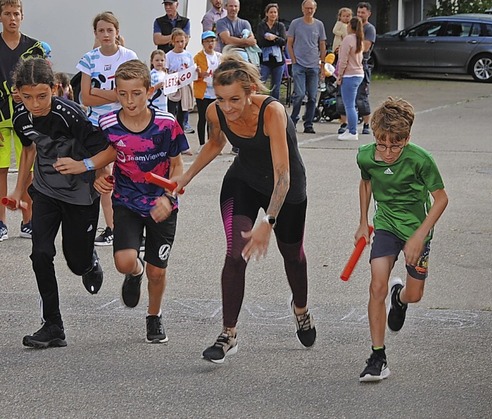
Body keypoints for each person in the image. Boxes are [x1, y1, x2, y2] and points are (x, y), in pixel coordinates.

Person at [172, 54, 316, 363]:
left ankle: (301, 309)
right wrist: (185, 176)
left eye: (234, 99)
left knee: (292, 255)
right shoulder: (215, 111)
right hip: (244, 181)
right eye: (221, 99)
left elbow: (283, 175)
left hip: (286, 188)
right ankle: (228, 334)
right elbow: (214, 144)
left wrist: (269, 220)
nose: (228, 107)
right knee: (235, 254)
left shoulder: (272, 112)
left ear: (251, 90)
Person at [59, 60, 189, 343]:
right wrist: (96, 173)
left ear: (149, 91)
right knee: (124, 261)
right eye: (122, 93)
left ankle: (153, 316)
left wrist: (169, 196)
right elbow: (107, 155)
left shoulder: (166, 124)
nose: (129, 101)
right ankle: (135, 272)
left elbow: (177, 166)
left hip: (161, 206)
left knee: (158, 271)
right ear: (115, 92)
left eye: (136, 94)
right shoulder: (107, 123)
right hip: (126, 201)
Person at [7, 57, 107, 348]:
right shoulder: (21, 118)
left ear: (54, 88)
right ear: (18, 93)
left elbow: (102, 149)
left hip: (80, 195)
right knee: (40, 254)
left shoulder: (71, 114)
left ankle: (88, 262)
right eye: (27, 97)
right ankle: (53, 325)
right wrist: (18, 190)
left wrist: (97, 173)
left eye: (42, 96)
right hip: (46, 192)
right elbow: (28, 150)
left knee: (76, 262)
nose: (35, 104)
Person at [353, 97, 448, 382]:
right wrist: (362, 222)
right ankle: (377, 355)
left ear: (407, 137)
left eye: (396, 144)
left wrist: (420, 235)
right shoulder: (366, 156)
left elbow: (441, 199)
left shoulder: (421, 159)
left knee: (415, 294)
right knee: (376, 284)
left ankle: (401, 298)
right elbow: (366, 182)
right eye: (382, 144)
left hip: (416, 229)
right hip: (386, 225)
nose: (388, 151)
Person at [77, 11, 138, 247]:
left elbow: (131, 93)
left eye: (109, 30)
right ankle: (112, 228)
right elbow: (85, 98)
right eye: (101, 30)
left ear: (117, 32)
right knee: (104, 176)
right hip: (97, 125)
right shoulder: (89, 59)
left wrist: (100, 93)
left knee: (130, 174)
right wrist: (113, 95)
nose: (105, 34)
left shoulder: (128, 56)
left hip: (124, 122)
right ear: (95, 33)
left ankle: (133, 227)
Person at [0, 0, 45, 242]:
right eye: (7, 14)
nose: (12, 18)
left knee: (29, 169)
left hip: (27, 114)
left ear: (22, 16)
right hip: (0, 116)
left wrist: (26, 91)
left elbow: (42, 78)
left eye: (16, 13)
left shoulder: (34, 48)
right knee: (0, 169)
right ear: (1, 17)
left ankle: (28, 221)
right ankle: (1, 222)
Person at [287, 0, 326, 134]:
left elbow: (322, 44)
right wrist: (293, 59)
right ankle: (293, 120)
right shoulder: (295, 23)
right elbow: (289, 42)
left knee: (313, 96)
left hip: (314, 65)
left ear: (315, 9)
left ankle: (308, 123)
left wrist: (322, 63)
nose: (309, 11)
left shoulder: (319, 25)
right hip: (299, 64)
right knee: (299, 94)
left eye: (311, 8)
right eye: (307, 8)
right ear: (302, 9)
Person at [336, 17, 364, 142]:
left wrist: (339, 75)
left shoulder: (348, 39)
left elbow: (343, 60)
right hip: (358, 73)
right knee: (351, 103)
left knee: (349, 105)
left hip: (349, 74)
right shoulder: (359, 39)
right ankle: (350, 129)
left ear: (350, 27)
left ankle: (353, 131)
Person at [194, 31, 222, 153]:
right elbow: (193, 73)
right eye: (207, 41)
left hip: (216, 92)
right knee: (203, 118)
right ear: (203, 43)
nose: (210, 44)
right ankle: (202, 143)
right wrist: (200, 74)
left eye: (212, 41)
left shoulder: (220, 56)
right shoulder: (198, 57)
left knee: (215, 119)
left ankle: (214, 142)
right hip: (203, 92)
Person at [165, 28, 195, 141]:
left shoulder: (188, 55)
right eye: (177, 42)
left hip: (185, 86)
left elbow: (191, 69)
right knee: (171, 113)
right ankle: (170, 137)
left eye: (182, 41)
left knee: (183, 113)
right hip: (173, 87)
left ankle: (180, 139)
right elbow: (165, 71)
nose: (180, 44)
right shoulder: (169, 56)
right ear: (173, 42)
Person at [256, 3, 287, 100]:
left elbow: (283, 41)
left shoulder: (280, 26)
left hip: (278, 62)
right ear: (266, 13)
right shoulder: (261, 26)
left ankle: (274, 107)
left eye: (275, 12)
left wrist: (273, 38)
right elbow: (261, 42)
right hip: (265, 61)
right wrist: (275, 41)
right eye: (271, 12)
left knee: (276, 88)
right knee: (260, 85)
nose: (273, 14)